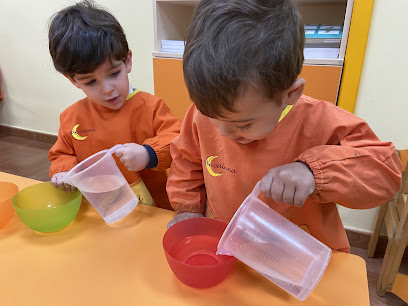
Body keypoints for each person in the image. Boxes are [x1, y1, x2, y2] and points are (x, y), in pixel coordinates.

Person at [166, 0, 402, 251]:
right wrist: (188, 209)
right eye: (212, 119)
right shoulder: (205, 113)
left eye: (243, 124)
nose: (222, 131)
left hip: (299, 261)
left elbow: (386, 171)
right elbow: (187, 160)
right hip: (230, 249)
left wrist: (313, 172)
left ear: (291, 94)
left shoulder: (319, 121)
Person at [48, 0, 181, 210]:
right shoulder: (71, 117)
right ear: (73, 80)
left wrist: (148, 154)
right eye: (91, 82)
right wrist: (64, 171)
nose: (107, 89)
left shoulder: (151, 107)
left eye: (113, 74)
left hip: (151, 209)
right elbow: (61, 154)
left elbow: (178, 140)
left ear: (127, 61)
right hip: (101, 208)